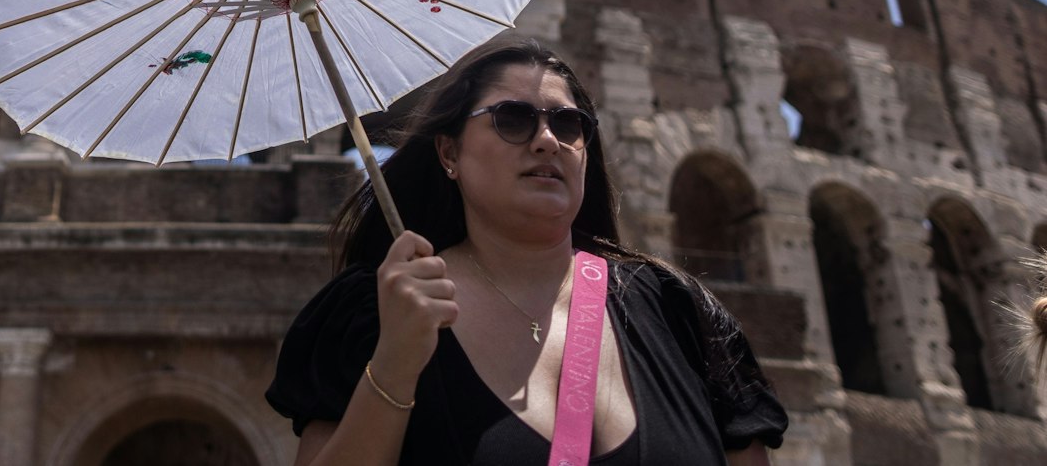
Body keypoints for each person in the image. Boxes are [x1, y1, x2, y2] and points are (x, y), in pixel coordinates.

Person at [266, 35, 787, 465]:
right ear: (449, 153)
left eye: (567, 124)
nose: (546, 140)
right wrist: (395, 363)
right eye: (512, 119)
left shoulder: (676, 309)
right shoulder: (375, 312)